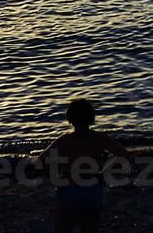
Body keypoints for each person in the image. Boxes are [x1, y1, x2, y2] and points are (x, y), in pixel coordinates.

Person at [38, 98, 130, 233]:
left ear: (70, 119)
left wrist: (56, 178)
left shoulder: (64, 140)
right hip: (93, 190)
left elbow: (41, 161)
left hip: (70, 190)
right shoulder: (100, 138)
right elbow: (124, 155)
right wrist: (104, 171)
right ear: (91, 118)